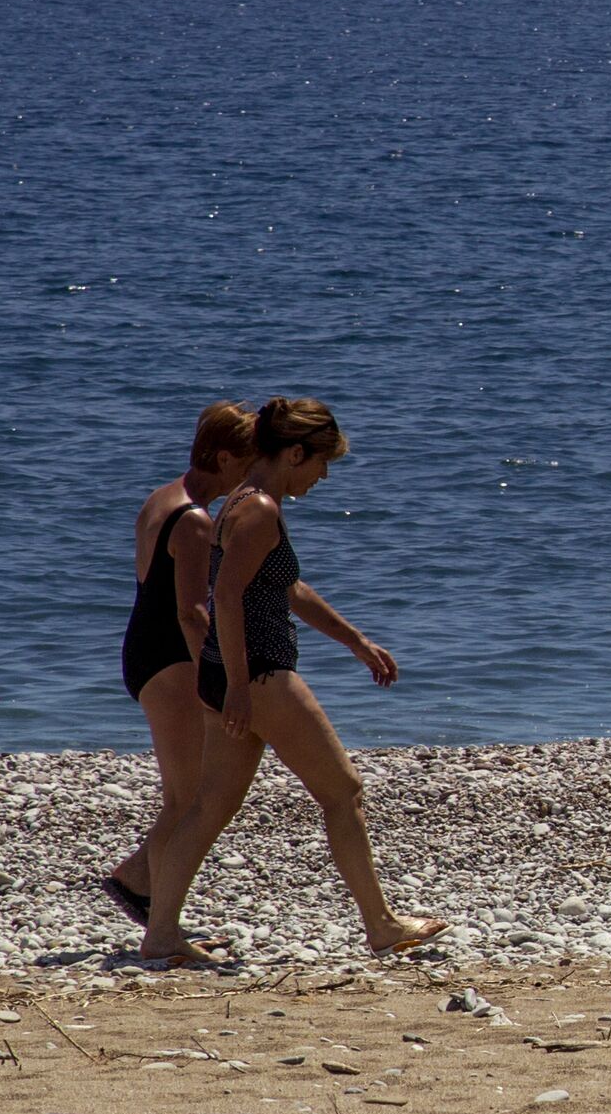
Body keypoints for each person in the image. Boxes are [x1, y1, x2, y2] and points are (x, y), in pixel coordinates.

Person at [138, 396, 447, 964]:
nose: (323, 476)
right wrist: (238, 685)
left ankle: (160, 936)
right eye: (321, 462)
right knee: (343, 791)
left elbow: (287, 588)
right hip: (259, 676)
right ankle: (381, 925)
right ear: (295, 453)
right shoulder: (259, 509)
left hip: (229, 673)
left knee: (208, 807)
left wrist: (355, 641)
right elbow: (227, 596)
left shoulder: (241, 501)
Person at [100, 401, 257, 922]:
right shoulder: (193, 520)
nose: (252, 476)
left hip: (144, 649)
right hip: (170, 659)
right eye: (248, 463)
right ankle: (140, 887)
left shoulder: (163, 497)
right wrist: (221, 680)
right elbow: (192, 613)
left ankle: (152, 900)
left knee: (185, 796)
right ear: (225, 458)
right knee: (191, 800)